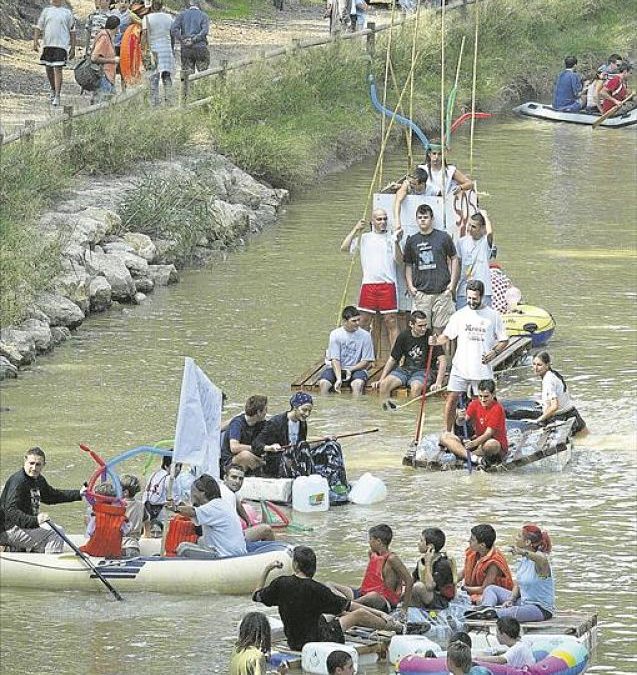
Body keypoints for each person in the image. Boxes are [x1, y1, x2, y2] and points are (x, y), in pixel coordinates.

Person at [253, 545, 403, 651]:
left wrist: (268, 568)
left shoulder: (281, 583)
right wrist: (380, 613)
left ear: (296, 565)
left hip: (294, 642)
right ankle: (395, 626)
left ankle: (386, 623)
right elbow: (351, 606)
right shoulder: (318, 589)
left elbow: (256, 596)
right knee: (358, 615)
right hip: (320, 639)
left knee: (335, 612)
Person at [430, 280, 509, 432]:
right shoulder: (459, 315)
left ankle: (480, 433)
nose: (471, 302)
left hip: (481, 369)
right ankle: (447, 432)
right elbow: (446, 336)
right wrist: (435, 341)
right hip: (460, 366)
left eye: (475, 299)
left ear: (482, 296)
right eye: (469, 298)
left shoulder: (493, 316)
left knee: (481, 403)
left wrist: (494, 352)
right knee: (451, 398)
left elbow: (504, 340)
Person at [0, 447, 85, 553]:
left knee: (54, 528)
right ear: (24, 461)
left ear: (44, 465)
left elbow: (52, 496)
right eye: (31, 463)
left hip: (23, 526)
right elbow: (11, 511)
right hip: (9, 530)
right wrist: (35, 521)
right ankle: (50, 566)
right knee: (55, 532)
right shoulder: (18, 482)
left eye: (38, 464)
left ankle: (30, 555)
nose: (34, 468)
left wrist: (79, 494)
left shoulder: (38, 479)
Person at [340, 209, 400, 347]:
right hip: (369, 284)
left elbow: (400, 261)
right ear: (372, 221)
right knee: (364, 321)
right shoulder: (364, 237)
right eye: (379, 219)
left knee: (391, 321)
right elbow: (344, 248)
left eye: (385, 219)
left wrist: (396, 242)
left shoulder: (392, 237)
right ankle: (364, 355)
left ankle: (395, 358)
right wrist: (356, 229)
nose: (383, 222)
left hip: (388, 284)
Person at [327, 524, 413, 613]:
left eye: (371, 539)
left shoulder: (392, 559)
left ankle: (344, 606)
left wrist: (404, 608)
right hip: (364, 593)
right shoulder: (372, 553)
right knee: (329, 585)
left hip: (383, 600)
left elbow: (409, 581)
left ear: (378, 541)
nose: (369, 542)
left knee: (373, 596)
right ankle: (346, 604)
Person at [402, 203, 458, 335]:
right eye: (420, 217)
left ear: (432, 219)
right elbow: (408, 265)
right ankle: (425, 356)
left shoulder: (443, 237)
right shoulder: (412, 241)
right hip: (421, 293)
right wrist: (410, 287)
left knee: (441, 330)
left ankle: (440, 356)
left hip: (442, 292)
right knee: (421, 330)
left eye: (425, 217)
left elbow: (454, 258)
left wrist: (452, 285)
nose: (422, 220)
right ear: (416, 219)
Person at [480, 524, 555, 623]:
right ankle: (487, 609)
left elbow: (541, 559)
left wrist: (522, 552)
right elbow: (518, 584)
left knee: (513, 612)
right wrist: (511, 599)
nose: (515, 538)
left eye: (519, 536)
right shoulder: (523, 560)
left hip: (540, 609)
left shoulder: (541, 560)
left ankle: (493, 613)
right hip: (523, 602)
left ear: (527, 542)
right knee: (490, 589)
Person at [373, 310, 446, 404]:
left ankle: (412, 414)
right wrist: (381, 379)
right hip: (405, 370)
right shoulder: (403, 336)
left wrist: (438, 383)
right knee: (384, 385)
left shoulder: (431, 336)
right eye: (420, 326)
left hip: (423, 371)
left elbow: (442, 360)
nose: (424, 329)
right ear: (411, 324)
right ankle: (385, 413)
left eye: (425, 325)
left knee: (416, 388)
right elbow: (392, 359)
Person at [173, 474, 247, 558]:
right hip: (230, 552)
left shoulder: (214, 506)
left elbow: (192, 511)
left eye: (192, 491)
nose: (191, 494)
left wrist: (174, 508)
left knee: (183, 548)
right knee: (201, 540)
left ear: (202, 492)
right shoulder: (219, 504)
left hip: (226, 556)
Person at [440, 379, 508, 467]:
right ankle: (473, 458)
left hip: (493, 443)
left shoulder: (497, 408)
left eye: (486, 396)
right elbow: (462, 422)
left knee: (491, 445)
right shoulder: (474, 404)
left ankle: (462, 453)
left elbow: (488, 434)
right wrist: (459, 418)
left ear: (493, 394)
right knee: (445, 436)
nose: (483, 400)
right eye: (480, 396)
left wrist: (474, 443)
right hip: (478, 442)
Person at [318, 306, 374, 396]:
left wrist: (350, 370)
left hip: (356, 368)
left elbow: (366, 361)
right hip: (336, 368)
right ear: (344, 321)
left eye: (358, 320)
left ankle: (355, 407)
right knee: (323, 383)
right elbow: (335, 359)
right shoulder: (335, 334)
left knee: (357, 384)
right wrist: (339, 378)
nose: (357, 323)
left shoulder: (366, 336)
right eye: (354, 321)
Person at [33, 0, 76, 107]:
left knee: (57, 69)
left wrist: (73, 47)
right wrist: (35, 40)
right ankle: (52, 88)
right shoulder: (46, 11)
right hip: (48, 44)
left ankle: (57, 94)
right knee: (48, 68)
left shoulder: (67, 13)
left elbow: (72, 31)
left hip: (61, 45)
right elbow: (39, 26)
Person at [532, 351, 586, 433]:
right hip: (573, 414)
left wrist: (539, 420)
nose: (535, 368)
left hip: (562, 419)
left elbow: (554, 407)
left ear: (547, 365)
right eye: (534, 364)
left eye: (539, 365)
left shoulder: (548, 380)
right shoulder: (553, 374)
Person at [459, 524, 513, 605]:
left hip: (490, 593)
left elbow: (484, 589)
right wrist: (452, 581)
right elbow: (464, 572)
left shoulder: (494, 562)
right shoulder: (474, 551)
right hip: (472, 590)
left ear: (482, 545)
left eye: (472, 539)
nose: (468, 541)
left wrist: (463, 589)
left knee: (478, 600)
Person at [222, 464, 275, 542]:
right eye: (233, 477)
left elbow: (238, 505)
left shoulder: (229, 491)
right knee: (267, 529)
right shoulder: (227, 495)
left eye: (241, 479)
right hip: (228, 539)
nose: (237, 481)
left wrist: (248, 522)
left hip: (227, 535)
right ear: (225, 478)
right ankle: (271, 552)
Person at [220, 395, 269, 475]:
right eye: (265, 410)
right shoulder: (237, 423)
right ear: (258, 412)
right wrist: (257, 448)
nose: (266, 413)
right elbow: (234, 447)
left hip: (252, 459)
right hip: (229, 462)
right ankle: (264, 467)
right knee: (245, 455)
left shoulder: (261, 424)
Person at [456, 210, 494, 310]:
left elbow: (490, 233)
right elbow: (458, 265)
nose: (470, 229)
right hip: (464, 290)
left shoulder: (485, 242)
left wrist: (485, 216)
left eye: (474, 227)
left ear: (482, 228)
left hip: (484, 291)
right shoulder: (461, 242)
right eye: (469, 225)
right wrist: (453, 287)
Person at [411, 527, 456, 610]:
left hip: (442, 601)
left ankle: (420, 614)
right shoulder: (421, 561)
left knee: (418, 587)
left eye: (421, 541)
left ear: (430, 547)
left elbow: (429, 586)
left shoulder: (442, 564)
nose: (418, 543)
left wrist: (428, 563)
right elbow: (413, 579)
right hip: (429, 596)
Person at [142, 0, 175, 106]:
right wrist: (171, 47)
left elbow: (144, 35)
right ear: (162, 6)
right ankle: (169, 100)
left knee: (154, 77)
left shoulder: (147, 18)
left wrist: (143, 49)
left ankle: (155, 102)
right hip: (166, 49)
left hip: (154, 51)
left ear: (152, 6)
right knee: (166, 75)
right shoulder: (169, 18)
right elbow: (172, 34)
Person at [142, 453, 177, 537]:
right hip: (161, 511)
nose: (178, 469)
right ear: (166, 466)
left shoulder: (154, 474)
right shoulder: (170, 479)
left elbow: (146, 491)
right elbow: (176, 501)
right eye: (175, 466)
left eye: (180, 466)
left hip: (147, 508)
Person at [171, 0, 210, 75]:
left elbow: (174, 29)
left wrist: (182, 39)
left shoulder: (182, 15)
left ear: (190, 4)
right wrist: (194, 39)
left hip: (186, 48)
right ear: (199, 5)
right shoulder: (203, 15)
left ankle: (188, 86)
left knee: (187, 75)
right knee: (203, 73)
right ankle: (203, 85)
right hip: (200, 47)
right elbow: (205, 31)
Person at [113, 0, 142, 90]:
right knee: (111, 66)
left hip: (124, 45)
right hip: (113, 43)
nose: (123, 4)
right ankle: (111, 88)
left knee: (123, 67)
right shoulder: (113, 13)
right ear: (118, 3)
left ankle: (123, 89)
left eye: (126, 2)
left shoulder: (131, 15)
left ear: (129, 4)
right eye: (121, 1)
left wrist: (133, 31)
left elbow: (142, 24)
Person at [91, 15, 121, 102]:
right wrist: (113, 61)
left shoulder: (108, 37)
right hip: (103, 77)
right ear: (116, 27)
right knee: (102, 106)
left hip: (108, 77)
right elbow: (94, 58)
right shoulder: (104, 38)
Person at [120, 474, 144, 557]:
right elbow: (147, 521)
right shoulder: (141, 505)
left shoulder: (118, 506)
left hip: (120, 544)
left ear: (125, 492)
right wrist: (148, 536)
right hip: (134, 545)